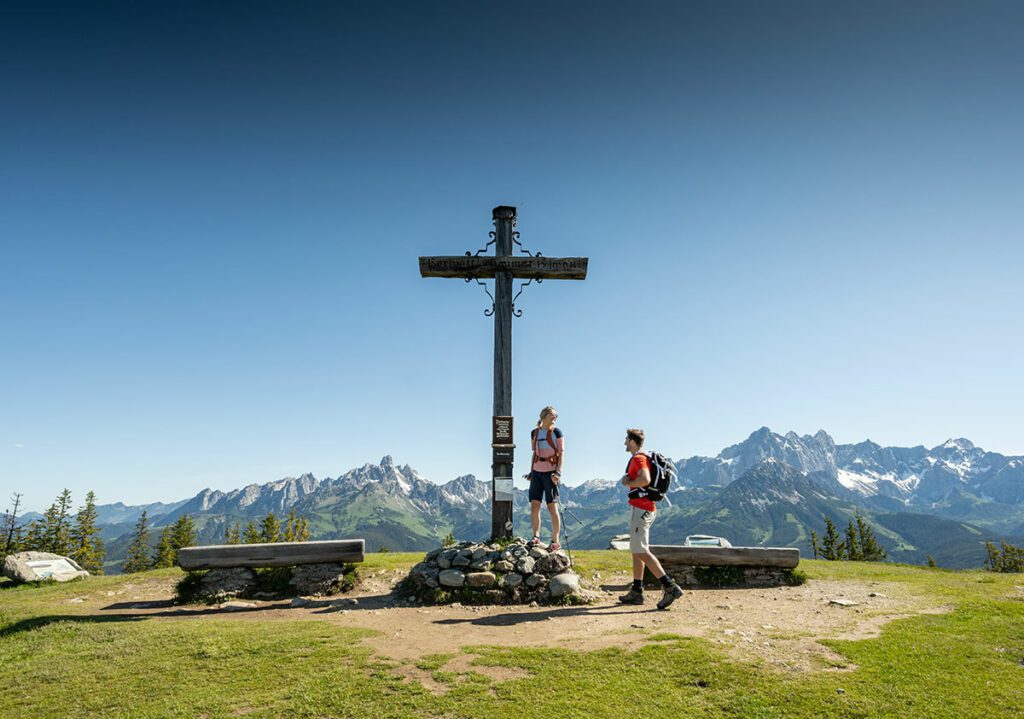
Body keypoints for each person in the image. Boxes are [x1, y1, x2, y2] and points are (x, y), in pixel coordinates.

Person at [618, 428, 683, 609]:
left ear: (632, 441)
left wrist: (627, 482)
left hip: (642, 508)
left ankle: (669, 586)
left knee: (639, 549)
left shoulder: (638, 458)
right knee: (637, 549)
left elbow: (645, 479)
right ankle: (637, 590)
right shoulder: (644, 457)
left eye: (626, 439)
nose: (624, 442)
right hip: (644, 508)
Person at [527, 406, 564, 551]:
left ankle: (555, 541)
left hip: (551, 474)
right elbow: (534, 454)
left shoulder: (556, 432)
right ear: (544, 416)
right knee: (535, 505)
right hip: (537, 472)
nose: (555, 417)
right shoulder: (534, 433)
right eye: (552, 415)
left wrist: (558, 473)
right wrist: (531, 472)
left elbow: (561, 455)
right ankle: (535, 537)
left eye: (556, 415)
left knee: (551, 507)